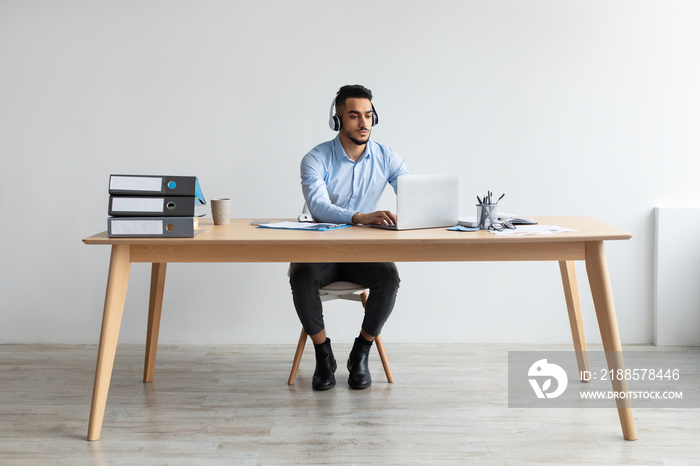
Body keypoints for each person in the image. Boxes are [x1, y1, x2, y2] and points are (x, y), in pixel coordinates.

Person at [289, 84, 409, 391]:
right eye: (354, 116)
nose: (363, 123)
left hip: (362, 252)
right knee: (301, 274)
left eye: (368, 115)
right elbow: (318, 206)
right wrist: (359, 216)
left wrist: (421, 212)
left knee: (389, 277)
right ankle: (323, 354)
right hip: (322, 249)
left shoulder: (387, 158)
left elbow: (413, 198)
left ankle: (361, 351)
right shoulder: (315, 158)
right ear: (337, 120)